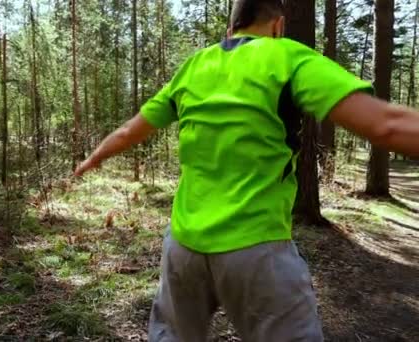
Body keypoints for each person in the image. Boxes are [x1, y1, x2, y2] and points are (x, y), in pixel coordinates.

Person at [74, 0, 419, 340]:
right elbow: (386, 126)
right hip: (256, 248)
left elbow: (128, 132)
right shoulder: (286, 55)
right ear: (278, 26)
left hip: (182, 247)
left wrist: (93, 158)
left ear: (230, 31)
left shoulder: (194, 66)